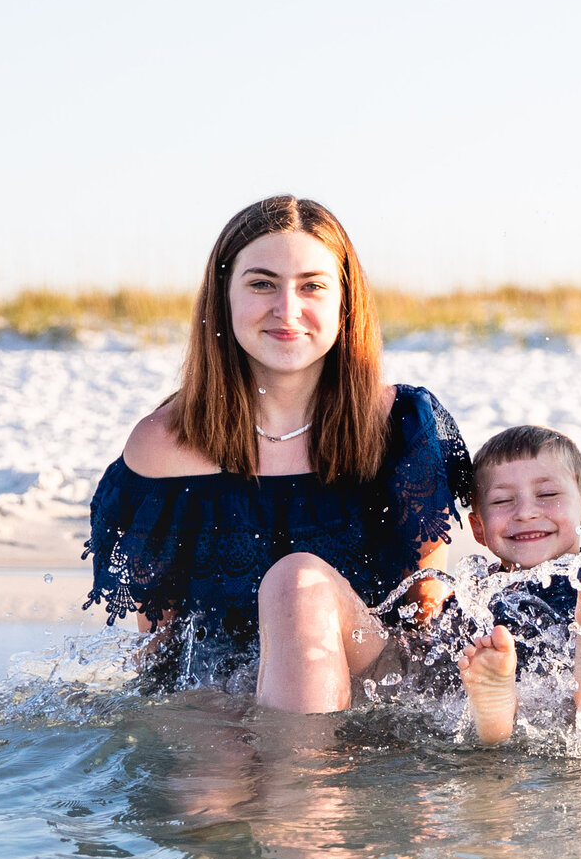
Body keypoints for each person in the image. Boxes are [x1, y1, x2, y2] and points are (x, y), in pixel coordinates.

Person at [84, 195, 471, 711]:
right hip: (227, 698)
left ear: (345, 302)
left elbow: (426, 612)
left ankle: (304, 789)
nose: (287, 310)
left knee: (297, 584)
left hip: (377, 689)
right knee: (205, 779)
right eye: (262, 283)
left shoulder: (401, 426)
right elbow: (162, 650)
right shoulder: (162, 448)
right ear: (223, 297)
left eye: (312, 286)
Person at [451, 425, 581, 745]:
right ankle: (497, 713)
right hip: (543, 713)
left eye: (547, 495)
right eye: (502, 500)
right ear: (478, 528)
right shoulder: (475, 597)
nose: (525, 512)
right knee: (467, 686)